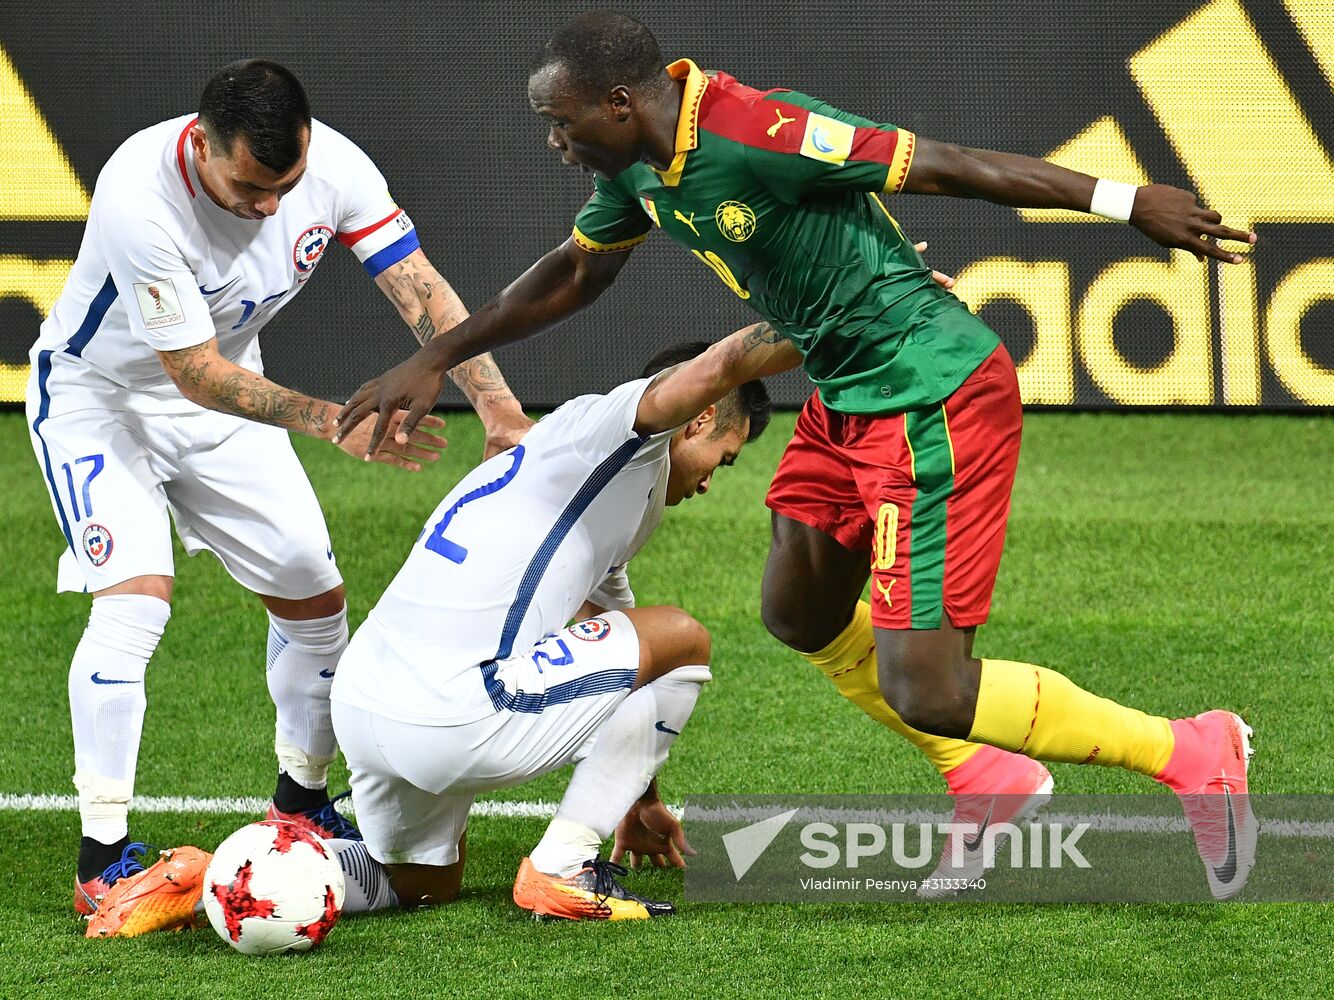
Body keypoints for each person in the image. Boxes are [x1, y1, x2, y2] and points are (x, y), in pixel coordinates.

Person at [335, 12, 1259, 900]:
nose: (555, 143)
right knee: (798, 605)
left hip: (927, 391)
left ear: (617, 102)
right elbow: (575, 273)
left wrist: (1124, 198)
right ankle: (984, 774)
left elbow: (938, 164)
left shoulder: (757, 129)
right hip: (845, 393)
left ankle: (1191, 750)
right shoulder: (639, 172)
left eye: (559, 122)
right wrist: (433, 358)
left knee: (929, 687)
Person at [28, 59, 528, 938]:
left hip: (225, 404)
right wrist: (333, 419)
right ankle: (101, 861)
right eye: (249, 188)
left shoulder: (330, 165)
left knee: (315, 602)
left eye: (284, 184)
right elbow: (193, 373)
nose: (268, 206)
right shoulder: (139, 193)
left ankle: (301, 806)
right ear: (202, 143)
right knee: (135, 605)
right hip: (100, 404)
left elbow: (419, 288)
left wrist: (497, 406)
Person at [323, 331, 786, 921]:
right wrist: (858, 304)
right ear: (696, 420)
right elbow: (722, 364)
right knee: (684, 636)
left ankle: (232, 873)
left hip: (363, 701)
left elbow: (622, 653)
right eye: (722, 461)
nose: (707, 484)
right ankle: (562, 867)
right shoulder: (617, 429)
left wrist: (636, 797)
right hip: (450, 714)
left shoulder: (597, 485)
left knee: (416, 883)